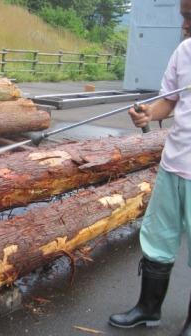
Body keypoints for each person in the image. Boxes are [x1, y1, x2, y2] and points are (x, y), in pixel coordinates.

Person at [108, 1, 191, 335]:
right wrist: (149, 114)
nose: (184, 24)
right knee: (158, 240)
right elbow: (170, 100)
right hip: (174, 164)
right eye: (184, 16)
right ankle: (148, 308)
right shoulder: (184, 51)